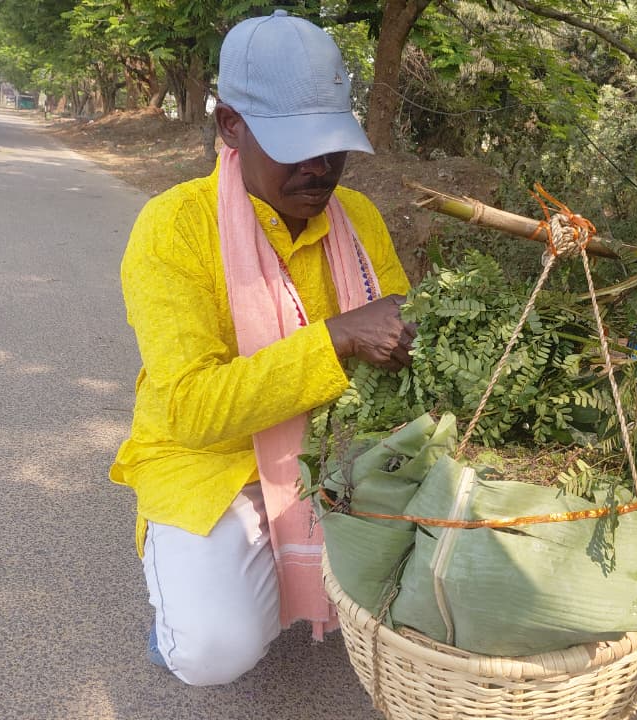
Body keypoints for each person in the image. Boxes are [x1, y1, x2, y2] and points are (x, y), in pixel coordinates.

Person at [109, 9, 415, 686]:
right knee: (215, 651)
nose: (320, 167)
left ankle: (284, 568)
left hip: (333, 457)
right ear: (230, 126)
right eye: (293, 143)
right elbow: (192, 408)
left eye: (332, 143)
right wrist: (336, 338)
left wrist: (405, 342)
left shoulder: (357, 220)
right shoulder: (174, 228)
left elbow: (395, 326)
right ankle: (183, 612)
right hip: (212, 466)